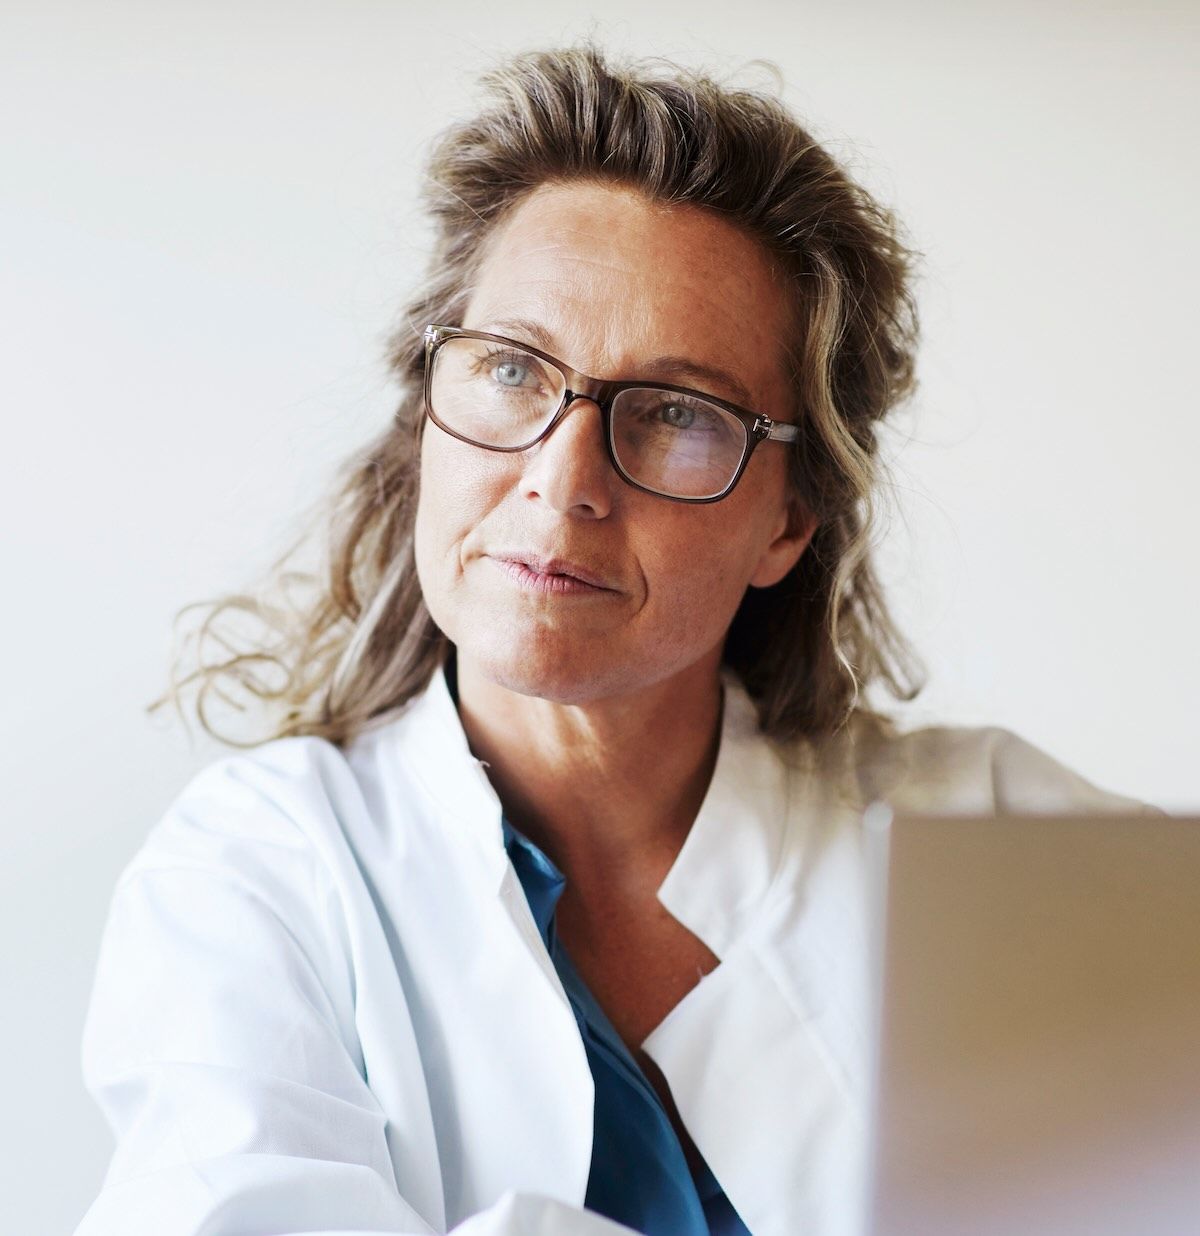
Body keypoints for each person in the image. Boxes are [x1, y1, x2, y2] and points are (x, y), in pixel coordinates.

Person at [74, 44, 1147, 1236]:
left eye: (679, 412)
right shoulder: (264, 872)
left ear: (789, 520)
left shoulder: (998, 843)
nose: (563, 478)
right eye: (510, 369)